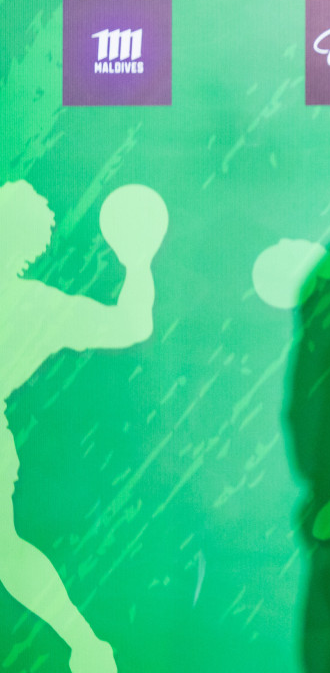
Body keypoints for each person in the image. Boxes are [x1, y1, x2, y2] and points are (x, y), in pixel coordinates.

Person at [0, 181, 167, 673]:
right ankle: (86, 645)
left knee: (6, 550)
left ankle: (86, 645)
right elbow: (131, 323)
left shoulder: (36, 306)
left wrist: (139, 260)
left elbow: (131, 327)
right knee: (6, 550)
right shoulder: (37, 306)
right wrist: (137, 264)